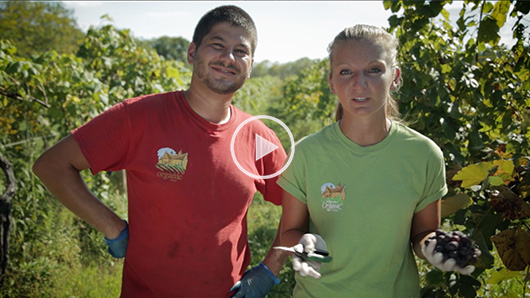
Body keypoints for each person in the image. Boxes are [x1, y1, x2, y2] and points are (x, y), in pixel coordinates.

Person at [33, 5, 287, 298]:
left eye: (240, 51)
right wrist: (112, 226)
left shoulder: (258, 137)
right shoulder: (138, 117)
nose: (228, 58)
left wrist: (270, 268)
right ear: (192, 53)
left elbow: (301, 205)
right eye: (217, 45)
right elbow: (52, 165)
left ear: (251, 65)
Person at [277, 24, 476, 297]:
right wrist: (302, 245)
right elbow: (290, 230)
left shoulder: (424, 155)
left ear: (394, 77)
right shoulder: (307, 154)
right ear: (332, 83)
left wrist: (434, 246)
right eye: (346, 72)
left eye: (374, 69)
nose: (360, 83)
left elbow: (423, 234)